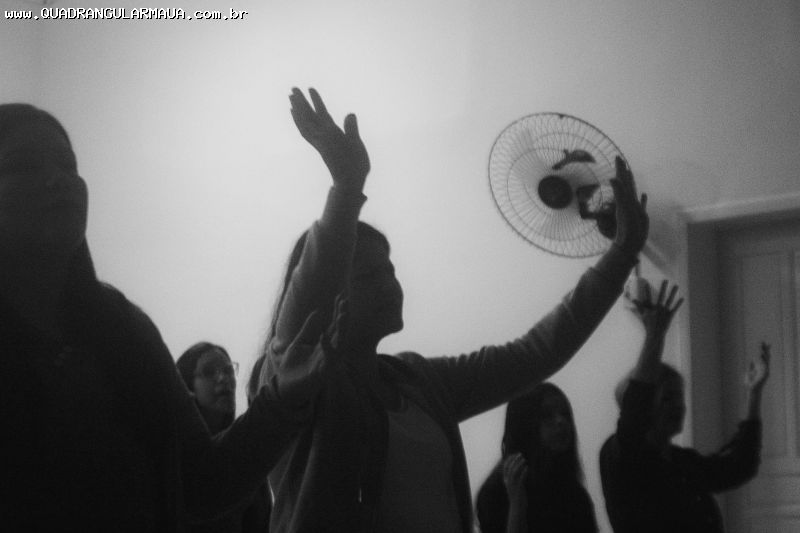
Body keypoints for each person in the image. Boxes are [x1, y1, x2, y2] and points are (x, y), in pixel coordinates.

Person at [260, 87, 649, 532]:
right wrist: (346, 190)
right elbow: (305, 299)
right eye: (371, 275)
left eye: (391, 270)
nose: (391, 284)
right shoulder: (296, 382)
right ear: (328, 297)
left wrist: (622, 255)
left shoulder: (419, 382)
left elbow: (535, 353)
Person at [0, 103, 328, 531]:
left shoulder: (123, 328)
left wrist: (281, 401)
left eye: (68, 164)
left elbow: (202, 483)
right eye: (23, 165)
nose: (57, 179)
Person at [599, 280, 769, 533]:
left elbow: (738, 467)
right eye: (668, 398)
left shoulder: (680, 461)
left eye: (680, 397)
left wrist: (754, 395)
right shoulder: (622, 457)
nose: (678, 406)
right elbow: (635, 410)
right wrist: (655, 336)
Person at [476, 383, 597, 533]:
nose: (561, 421)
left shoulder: (573, 493)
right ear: (524, 425)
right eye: (546, 415)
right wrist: (517, 506)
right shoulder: (495, 494)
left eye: (565, 414)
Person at [177, 342, 272, 532]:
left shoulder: (245, 452)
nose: (223, 378)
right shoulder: (178, 459)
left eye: (228, 370)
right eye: (209, 372)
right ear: (188, 386)